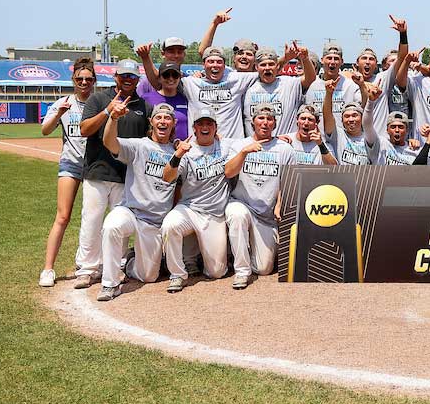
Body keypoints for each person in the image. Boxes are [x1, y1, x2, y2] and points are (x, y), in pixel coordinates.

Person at [72, 59, 149, 290]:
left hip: (126, 176)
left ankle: (116, 266)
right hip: (98, 171)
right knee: (92, 222)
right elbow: (84, 129)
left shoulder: (143, 106)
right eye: (124, 75)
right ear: (115, 76)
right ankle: (87, 269)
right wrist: (108, 111)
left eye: (132, 77)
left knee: (119, 226)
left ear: (137, 80)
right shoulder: (98, 99)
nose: (128, 79)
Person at [96, 102, 178, 301]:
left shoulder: (178, 152)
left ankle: (131, 260)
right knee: (112, 225)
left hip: (155, 221)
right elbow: (110, 142)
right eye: (158, 117)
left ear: (173, 123)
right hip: (131, 211)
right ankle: (110, 284)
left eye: (167, 118)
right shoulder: (139, 145)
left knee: (148, 276)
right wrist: (113, 118)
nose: (163, 121)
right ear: (151, 122)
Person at [160, 108, 232, 292]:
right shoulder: (187, 150)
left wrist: (283, 137)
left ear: (216, 127)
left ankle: (203, 257)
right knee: (170, 225)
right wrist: (177, 155)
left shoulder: (227, 146)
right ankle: (177, 274)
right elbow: (167, 177)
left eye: (209, 123)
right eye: (201, 124)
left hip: (214, 214)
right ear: (194, 128)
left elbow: (252, 141)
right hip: (190, 209)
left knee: (216, 272)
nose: (205, 127)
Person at [38, 58, 96, 287]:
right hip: (71, 164)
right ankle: (48, 269)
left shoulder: (99, 102)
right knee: (62, 217)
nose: (84, 82)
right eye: (80, 78)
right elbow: (45, 130)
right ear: (73, 79)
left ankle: (96, 263)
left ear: (94, 81)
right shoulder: (64, 102)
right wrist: (58, 112)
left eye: (88, 79)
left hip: (93, 166)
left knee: (94, 217)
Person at [225, 106, 295, 288]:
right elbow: (228, 172)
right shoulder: (240, 145)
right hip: (242, 203)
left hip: (266, 214)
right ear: (252, 122)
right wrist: (244, 153)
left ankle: (248, 249)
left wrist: (280, 204)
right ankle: (241, 271)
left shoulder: (284, 149)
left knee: (263, 268)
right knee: (237, 215)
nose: (265, 122)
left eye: (269, 119)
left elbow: (287, 181)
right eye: (261, 118)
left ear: (275, 124)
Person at [180, 46, 259, 140]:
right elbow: (161, 79)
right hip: (200, 148)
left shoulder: (236, 79)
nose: (215, 65)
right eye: (211, 62)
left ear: (224, 66)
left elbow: (268, 69)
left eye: (219, 62)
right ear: (203, 65)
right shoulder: (190, 83)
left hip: (232, 147)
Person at [243, 44, 316, 137]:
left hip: (285, 146)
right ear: (256, 67)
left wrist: (305, 59)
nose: (267, 68)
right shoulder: (247, 87)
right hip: (254, 147)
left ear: (277, 66)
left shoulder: (289, 83)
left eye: (271, 64)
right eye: (263, 65)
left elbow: (310, 78)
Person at [323, 76, 376, 166]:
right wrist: (329, 94)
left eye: (354, 115)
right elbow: (327, 115)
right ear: (342, 121)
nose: (351, 119)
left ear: (362, 118)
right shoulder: (338, 136)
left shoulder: (370, 139)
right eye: (347, 116)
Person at [137, 58, 190, 142]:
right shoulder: (146, 99)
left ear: (180, 77)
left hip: (183, 150)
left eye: (175, 75)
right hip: (155, 149)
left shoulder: (186, 99)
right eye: (166, 75)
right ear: (159, 78)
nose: (171, 78)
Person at [305, 43, 353, 117]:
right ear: (322, 60)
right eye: (329, 58)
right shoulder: (311, 84)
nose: (332, 62)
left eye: (336, 59)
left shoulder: (350, 85)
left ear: (342, 62)